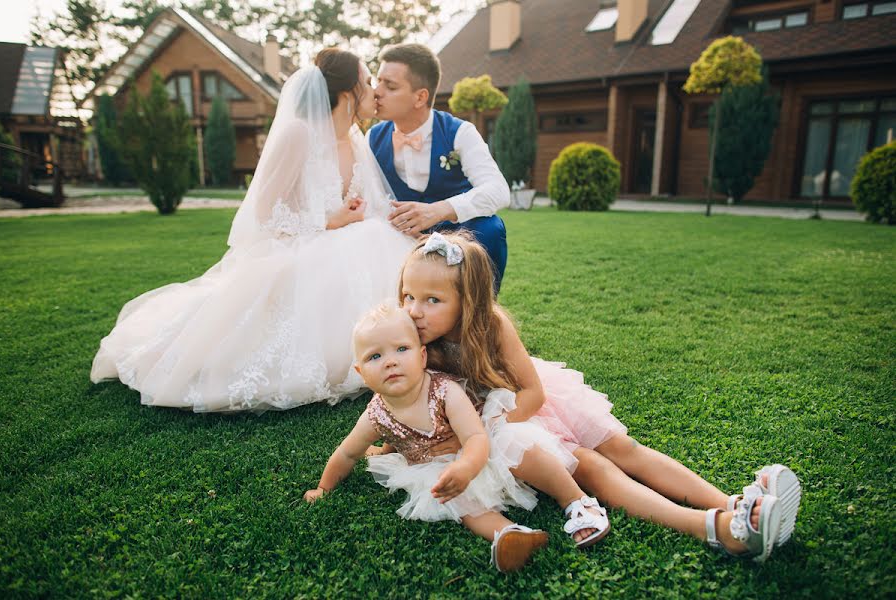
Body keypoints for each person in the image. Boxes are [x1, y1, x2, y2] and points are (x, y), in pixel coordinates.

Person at [398, 232, 802, 562]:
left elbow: (533, 393)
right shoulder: (410, 341)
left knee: (624, 449)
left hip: (526, 408)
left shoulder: (492, 327)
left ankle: (732, 504)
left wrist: (491, 429)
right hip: (501, 437)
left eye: (432, 300)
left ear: (468, 302)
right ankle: (716, 527)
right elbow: (403, 400)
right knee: (591, 468)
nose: (415, 311)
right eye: (408, 297)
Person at [90, 49, 415, 412]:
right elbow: (262, 212)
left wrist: (356, 212)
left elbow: (361, 200)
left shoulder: (356, 139)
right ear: (346, 92)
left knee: (376, 238)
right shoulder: (298, 133)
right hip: (296, 244)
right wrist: (327, 220)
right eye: (367, 83)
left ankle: (393, 346)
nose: (374, 92)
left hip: (343, 237)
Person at [304, 303, 614, 571]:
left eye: (402, 349)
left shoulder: (444, 391)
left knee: (521, 449)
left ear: (422, 356)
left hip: (479, 453)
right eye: (375, 356)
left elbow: (477, 438)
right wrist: (323, 487)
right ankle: (510, 534)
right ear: (361, 373)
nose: (390, 361)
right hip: (439, 471)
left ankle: (576, 501)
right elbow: (346, 454)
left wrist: (466, 468)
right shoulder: (375, 415)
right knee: (459, 503)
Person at [369, 43, 510, 292]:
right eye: (377, 82)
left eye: (389, 86)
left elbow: (498, 190)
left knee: (491, 228)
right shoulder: (372, 138)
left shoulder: (460, 132)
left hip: (458, 228)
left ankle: (479, 312)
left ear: (420, 97)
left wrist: (438, 211)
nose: (376, 92)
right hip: (400, 231)